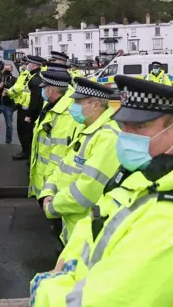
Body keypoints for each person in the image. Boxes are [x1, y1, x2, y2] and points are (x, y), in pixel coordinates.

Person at [30, 76, 173, 306]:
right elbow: (95, 223)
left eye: (139, 126)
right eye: (124, 125)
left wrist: (45, 286)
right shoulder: (145, 176)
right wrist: (69, 261)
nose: (125, 135)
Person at [39, 77, 119, 246]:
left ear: (96, 105)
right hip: (73, 225)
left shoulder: (107, 138)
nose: (73, 106)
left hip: (87, 235)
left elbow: (87, 189)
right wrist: (48, 191)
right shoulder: (85, 128)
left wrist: (53, 207)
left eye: (78, 102)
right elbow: (63, 166)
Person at [29, 71, 81, 204]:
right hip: (46, 177)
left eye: (43, 88)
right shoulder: (53, 105)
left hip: (53, 182)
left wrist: (50, 186)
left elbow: (59, 152)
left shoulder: (66, 114)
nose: (42, 91)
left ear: (51, 90)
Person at [10, 55, 46, 161]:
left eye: (29, 64)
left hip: (28, 111)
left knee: (27, 134)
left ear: (33, 65)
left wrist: (30, 115)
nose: (27, 65)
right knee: (22, 132)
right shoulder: (31, 75)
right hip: (24, 108)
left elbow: (36, 100)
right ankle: (25, 152)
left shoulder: (36, 78)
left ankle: (28, 155)